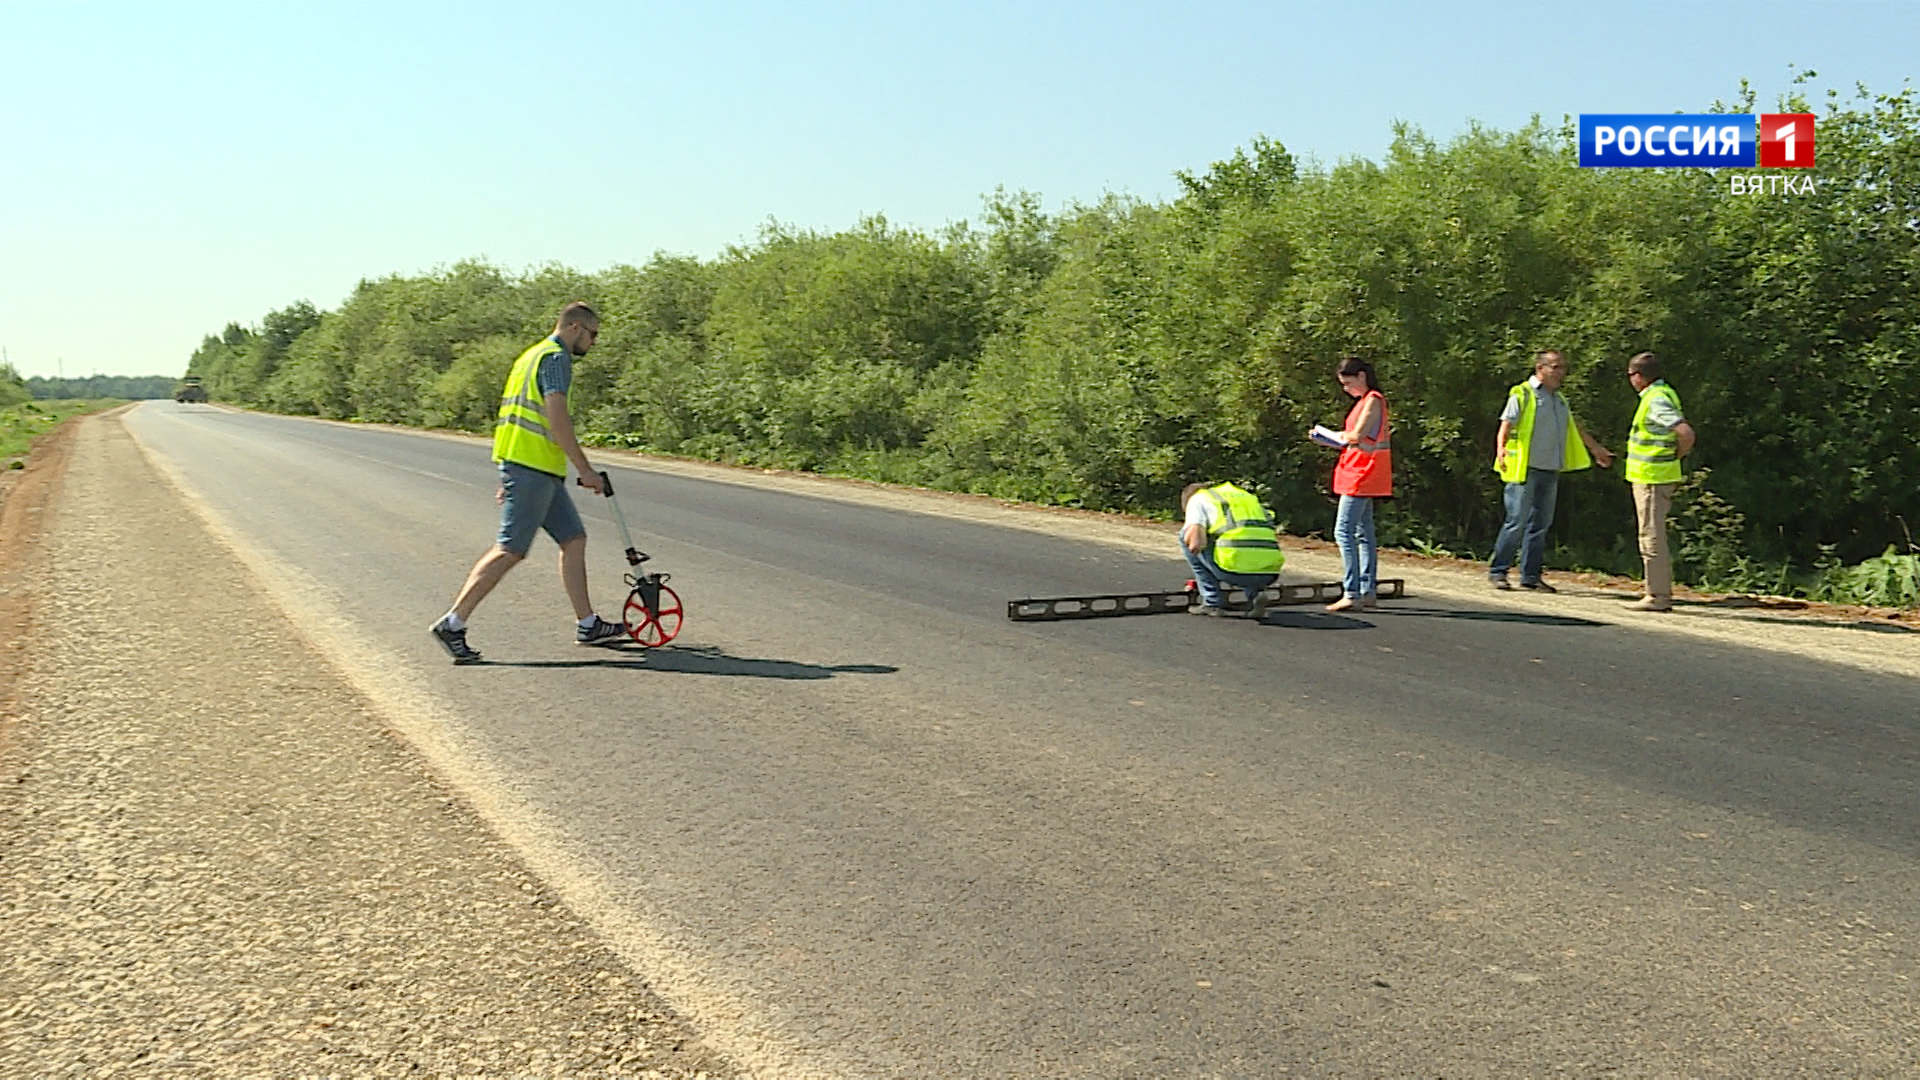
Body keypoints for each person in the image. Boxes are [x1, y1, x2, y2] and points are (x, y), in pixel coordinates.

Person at [429, 302, 628, 663]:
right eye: (593, 334)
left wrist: (510, 473)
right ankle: (453, 623)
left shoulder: (529, 356)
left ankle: (588, 623)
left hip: (533, 468)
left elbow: (512, 417)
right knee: (510, 548)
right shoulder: (555, 359)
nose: (594, 343)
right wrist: (585, 469)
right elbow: (557, 418)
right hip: (532, 468)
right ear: (574, 329)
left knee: (574, 539)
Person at [1487, 350, 1615, 592]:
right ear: (1540, 368)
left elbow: (1573, 427)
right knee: (1517, 521)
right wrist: (1501, 448)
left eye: (1563, 368)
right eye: (1555, 367)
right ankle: (1498, 571)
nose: (1561, 373)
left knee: (1541, 524)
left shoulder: (1559, 399)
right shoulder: (1523, 394)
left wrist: (1596, 449)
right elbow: (1506, 423)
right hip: (1525, 468)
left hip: (1550, 468)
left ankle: (1531, 576)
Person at [1317, 357, 1392, 612]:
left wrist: (1334, 435)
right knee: (1363, 532)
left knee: (1343, 532)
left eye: (1348, 383)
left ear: (1362, 376)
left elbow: (1357, 436)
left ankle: (1352, 592)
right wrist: (1328, 439)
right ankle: (1367, 589)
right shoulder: (1365, 401)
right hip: (1361, 471)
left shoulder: (1372, 400)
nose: (1346, 389)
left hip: (1362, 473)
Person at [1623, 351, 1696, 612]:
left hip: (1653, 477)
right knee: (1651, 534)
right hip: (1654, 475)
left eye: (1631, 375)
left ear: (1639, 377)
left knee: (1651, 536)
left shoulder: (1655, 400)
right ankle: (1656, 592)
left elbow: (1685, 432)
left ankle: (1658, 595)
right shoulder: (1662, 394)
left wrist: (1678, 453)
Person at [1180, 481, 1284, 618]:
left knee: (1185, 536)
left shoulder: (1198, 499)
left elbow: (1195, 544)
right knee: (1247, 544)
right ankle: (1255, 594)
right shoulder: (1246, 497)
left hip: (1233, 572)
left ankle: (1212, 602)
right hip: (1270, 574)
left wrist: (1204, 566)